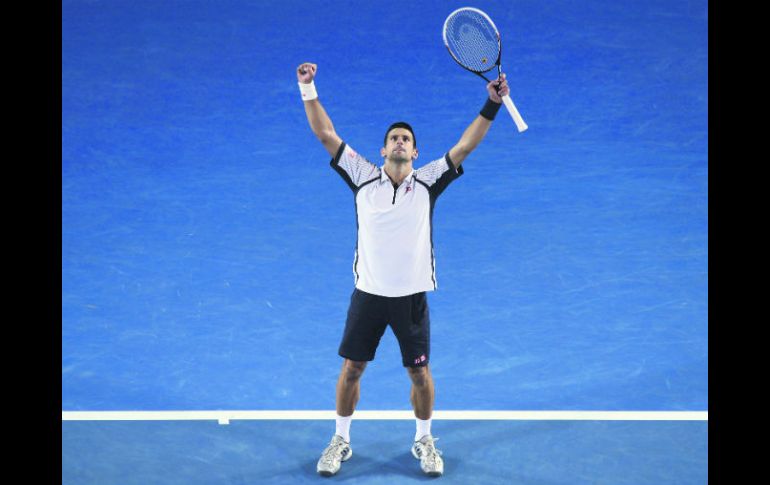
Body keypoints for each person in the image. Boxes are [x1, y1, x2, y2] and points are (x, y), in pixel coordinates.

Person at [296, 61, 510, 478]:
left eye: (406, 139)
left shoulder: (429, 181)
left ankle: (424, 440)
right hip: (369, 295)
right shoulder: (361, 176)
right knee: (352, 368)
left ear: (415, 152)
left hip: (411, 298)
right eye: (393, 138)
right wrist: (308, 87)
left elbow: (464, 147)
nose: (399, 141)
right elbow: (325, 134)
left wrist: (491, 106)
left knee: (420, 372)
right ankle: (340, 439)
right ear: (383, 150)